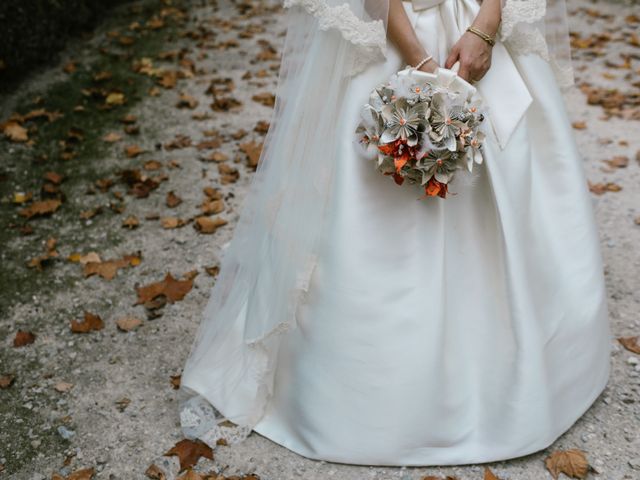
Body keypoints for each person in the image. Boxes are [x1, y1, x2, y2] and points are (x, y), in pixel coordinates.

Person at [177, 0, 612, 466]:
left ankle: (530, 373)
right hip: (393, 32)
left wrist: (485, 27)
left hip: (482, 27)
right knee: (372, 204)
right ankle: (379, 400)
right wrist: (421, 64)